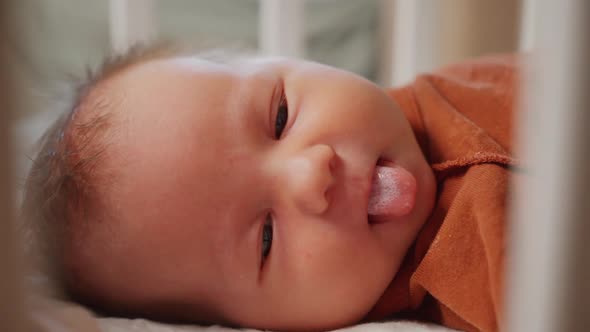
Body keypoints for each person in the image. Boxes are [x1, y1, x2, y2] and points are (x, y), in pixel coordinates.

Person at [22, 44, 519, 332]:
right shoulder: (471, 292)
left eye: (280, 117)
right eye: (265, 239)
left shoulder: (465, 81)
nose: (311, 176)